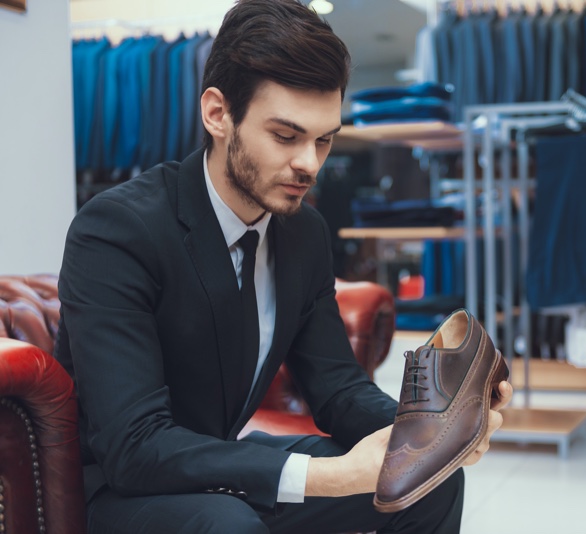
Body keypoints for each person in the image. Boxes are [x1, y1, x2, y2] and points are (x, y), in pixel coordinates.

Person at [55, 0, 512, 532]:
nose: (309, 164)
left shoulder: (302, 232)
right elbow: (135, 447)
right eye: (286, 136)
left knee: (425, 487)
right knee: (229, 523)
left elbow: (338, 387)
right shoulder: (116, 231)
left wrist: (431, 433)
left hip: (218, 471)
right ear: (218, 114)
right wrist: (333, 476)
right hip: (116, 491)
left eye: (324, 140)